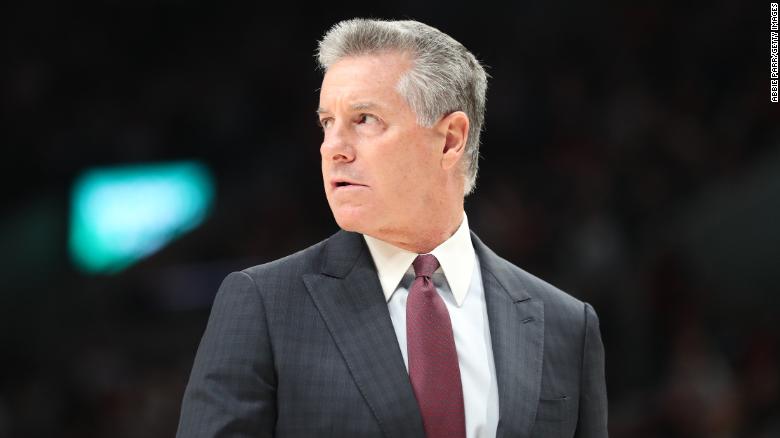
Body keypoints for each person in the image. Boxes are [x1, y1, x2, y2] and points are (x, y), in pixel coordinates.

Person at [176, 18, 607, 438]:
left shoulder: (567, 324)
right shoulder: (264, 305)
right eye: (327, 122)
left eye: (364, 119)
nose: (333, 149)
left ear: (451, 139)